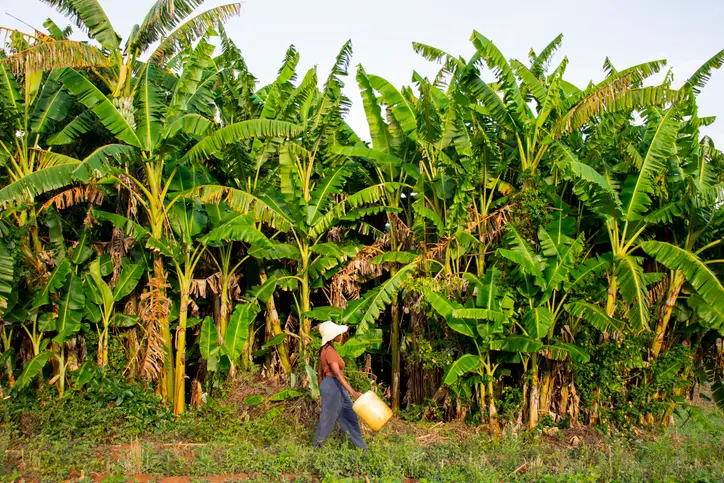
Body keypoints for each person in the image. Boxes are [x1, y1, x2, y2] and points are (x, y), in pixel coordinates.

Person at [313, 321, 367, 450]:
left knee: (350, 417)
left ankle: (362, 450)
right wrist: (353, 392)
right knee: (328, 419)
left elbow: (319, 373)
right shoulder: (329, 351)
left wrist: (322, 389)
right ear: (332, 336)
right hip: (332, 385)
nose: (340, 335)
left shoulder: (325, 349)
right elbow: (337, 374)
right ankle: (316, 449)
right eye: (338, 333)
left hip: (334, 386)